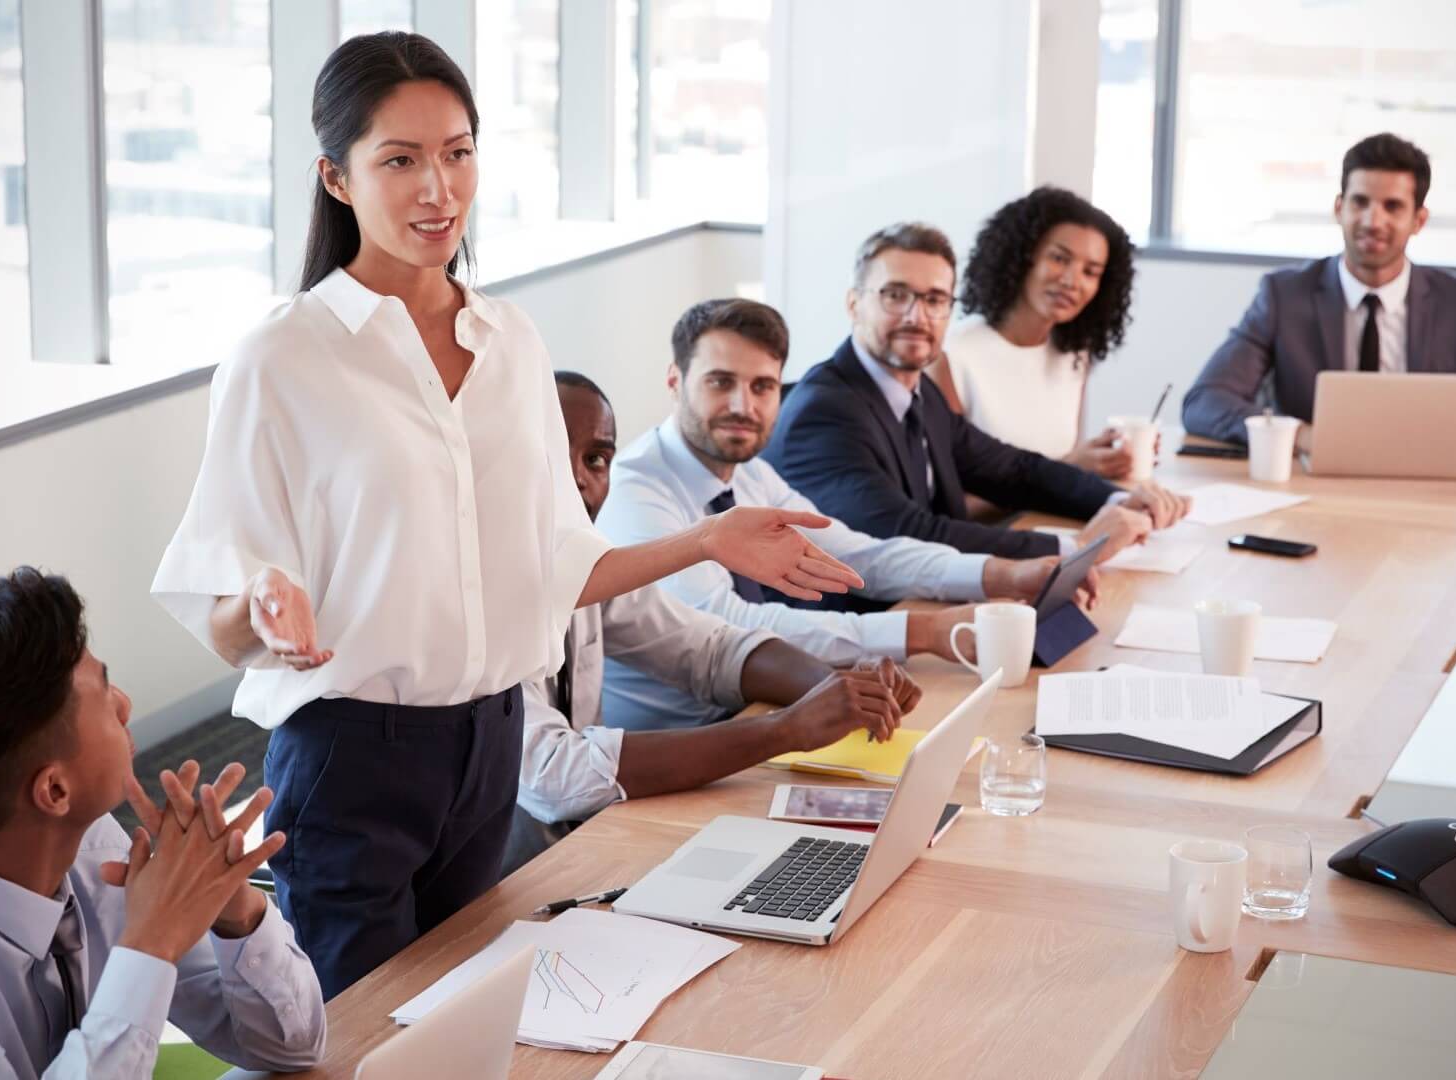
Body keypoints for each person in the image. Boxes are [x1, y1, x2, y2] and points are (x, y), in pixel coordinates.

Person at [149, 33, 859, 1000]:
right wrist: (262, 608)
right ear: (338, 178)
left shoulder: (511, 341)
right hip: (351, 758)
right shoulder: (283, 358)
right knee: (360, 1044)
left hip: (488, 746)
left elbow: (559, 567)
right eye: (400, 160)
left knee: (464, 1029)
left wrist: (706, 540)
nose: (438, 187)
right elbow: (227, 618)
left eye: (458, 151)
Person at [0, 568, 325, 1079]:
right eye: (103, 689)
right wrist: (153, 940)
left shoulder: (91, 847)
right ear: (54, 791)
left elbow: (291, 1046)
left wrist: (230, 906)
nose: (125, 704)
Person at [597, 297, 1107, 732]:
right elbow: (729, 626)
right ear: (674, 380)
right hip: (680, 748)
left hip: (757, 718)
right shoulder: (636, 491)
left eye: (762, 387)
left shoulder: (748, 474)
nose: (742, 406)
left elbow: (856, 554)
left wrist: (998, 573)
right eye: (720, 382)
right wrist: (924, 632)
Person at [505, 371, 921, 872]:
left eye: (596, 459)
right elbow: (556, 777)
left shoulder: (586, 566)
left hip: (596, 843)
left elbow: (710, 649)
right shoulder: (483, 595)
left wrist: (838, 690)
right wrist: (785, 730)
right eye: (552, 455)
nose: (578, 478)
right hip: (511, 876)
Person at [764, 223, 1189, 562]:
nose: (918, 316)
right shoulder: (824, 413)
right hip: (853, 636)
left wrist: (1119, 498)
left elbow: (1015, 470)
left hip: (926, 603)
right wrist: (1076, 549)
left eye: (935, 299)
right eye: (896, 295)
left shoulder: (915, 392)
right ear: (854, 304)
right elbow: (909, 533)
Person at [1181, 132, 1456, 458]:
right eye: (1360, 202)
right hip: (1318, 488)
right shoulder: (1284, 296)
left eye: (1392, 206)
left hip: (1431, 491)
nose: (1373, 221)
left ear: (1418, 220)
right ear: (1339, 209)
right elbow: (1205, 401)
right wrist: (1300, 435)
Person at [928, 186, 1144, 475]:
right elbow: (950, 497)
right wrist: (1067, 470)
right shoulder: (952, 355)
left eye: (1090, 272)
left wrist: (1103, 458)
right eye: (1059, 258)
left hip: (1054, 518)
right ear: (1022, 256)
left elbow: (1063, 460)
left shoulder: (1074, 355)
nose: (1072, 281)